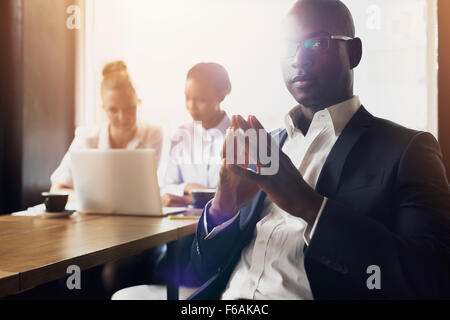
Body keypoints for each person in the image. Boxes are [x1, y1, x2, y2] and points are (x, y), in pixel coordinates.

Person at [186, 0, 450, 300]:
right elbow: (202, 269)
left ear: (354, 52)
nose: (299, 58)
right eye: (289, 46)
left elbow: (432, 279)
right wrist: (223, 207)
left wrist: (309, 206)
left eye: (316, 43)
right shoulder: (263, 145)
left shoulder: (407, 150)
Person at [50, 60, 164, 298]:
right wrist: (89, 197)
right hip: (92, 234)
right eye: (113, 110)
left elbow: (148, 191)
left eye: (130, 108)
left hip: (137, 236)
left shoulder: (153, 134)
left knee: (114, 273)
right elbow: (57, 188)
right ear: (103, 108)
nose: (123, 117)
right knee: (69, 272)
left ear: (138, 103)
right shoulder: (86, 138)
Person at [160, 62, 232, 207]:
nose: (191, 106)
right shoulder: (181, 136)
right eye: (187, 97)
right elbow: (166, 187)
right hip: (182, 222)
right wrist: (187, 187)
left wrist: (193, 199)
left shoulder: (239, 138)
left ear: (222, 95)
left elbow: (239, 195)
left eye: (201, 100)